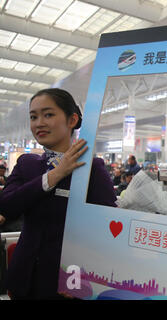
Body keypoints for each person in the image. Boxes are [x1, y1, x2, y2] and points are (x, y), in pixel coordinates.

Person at [0, 88, 117, 299]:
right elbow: (7, 205)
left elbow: (106, 228)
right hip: (24, 278)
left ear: (72, 120)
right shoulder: (27, 164)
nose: (39, 123)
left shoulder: (92, 168)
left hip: (67, 282)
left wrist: (86, 278)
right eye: (33, 117)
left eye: (48, 114)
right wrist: (55, 175)